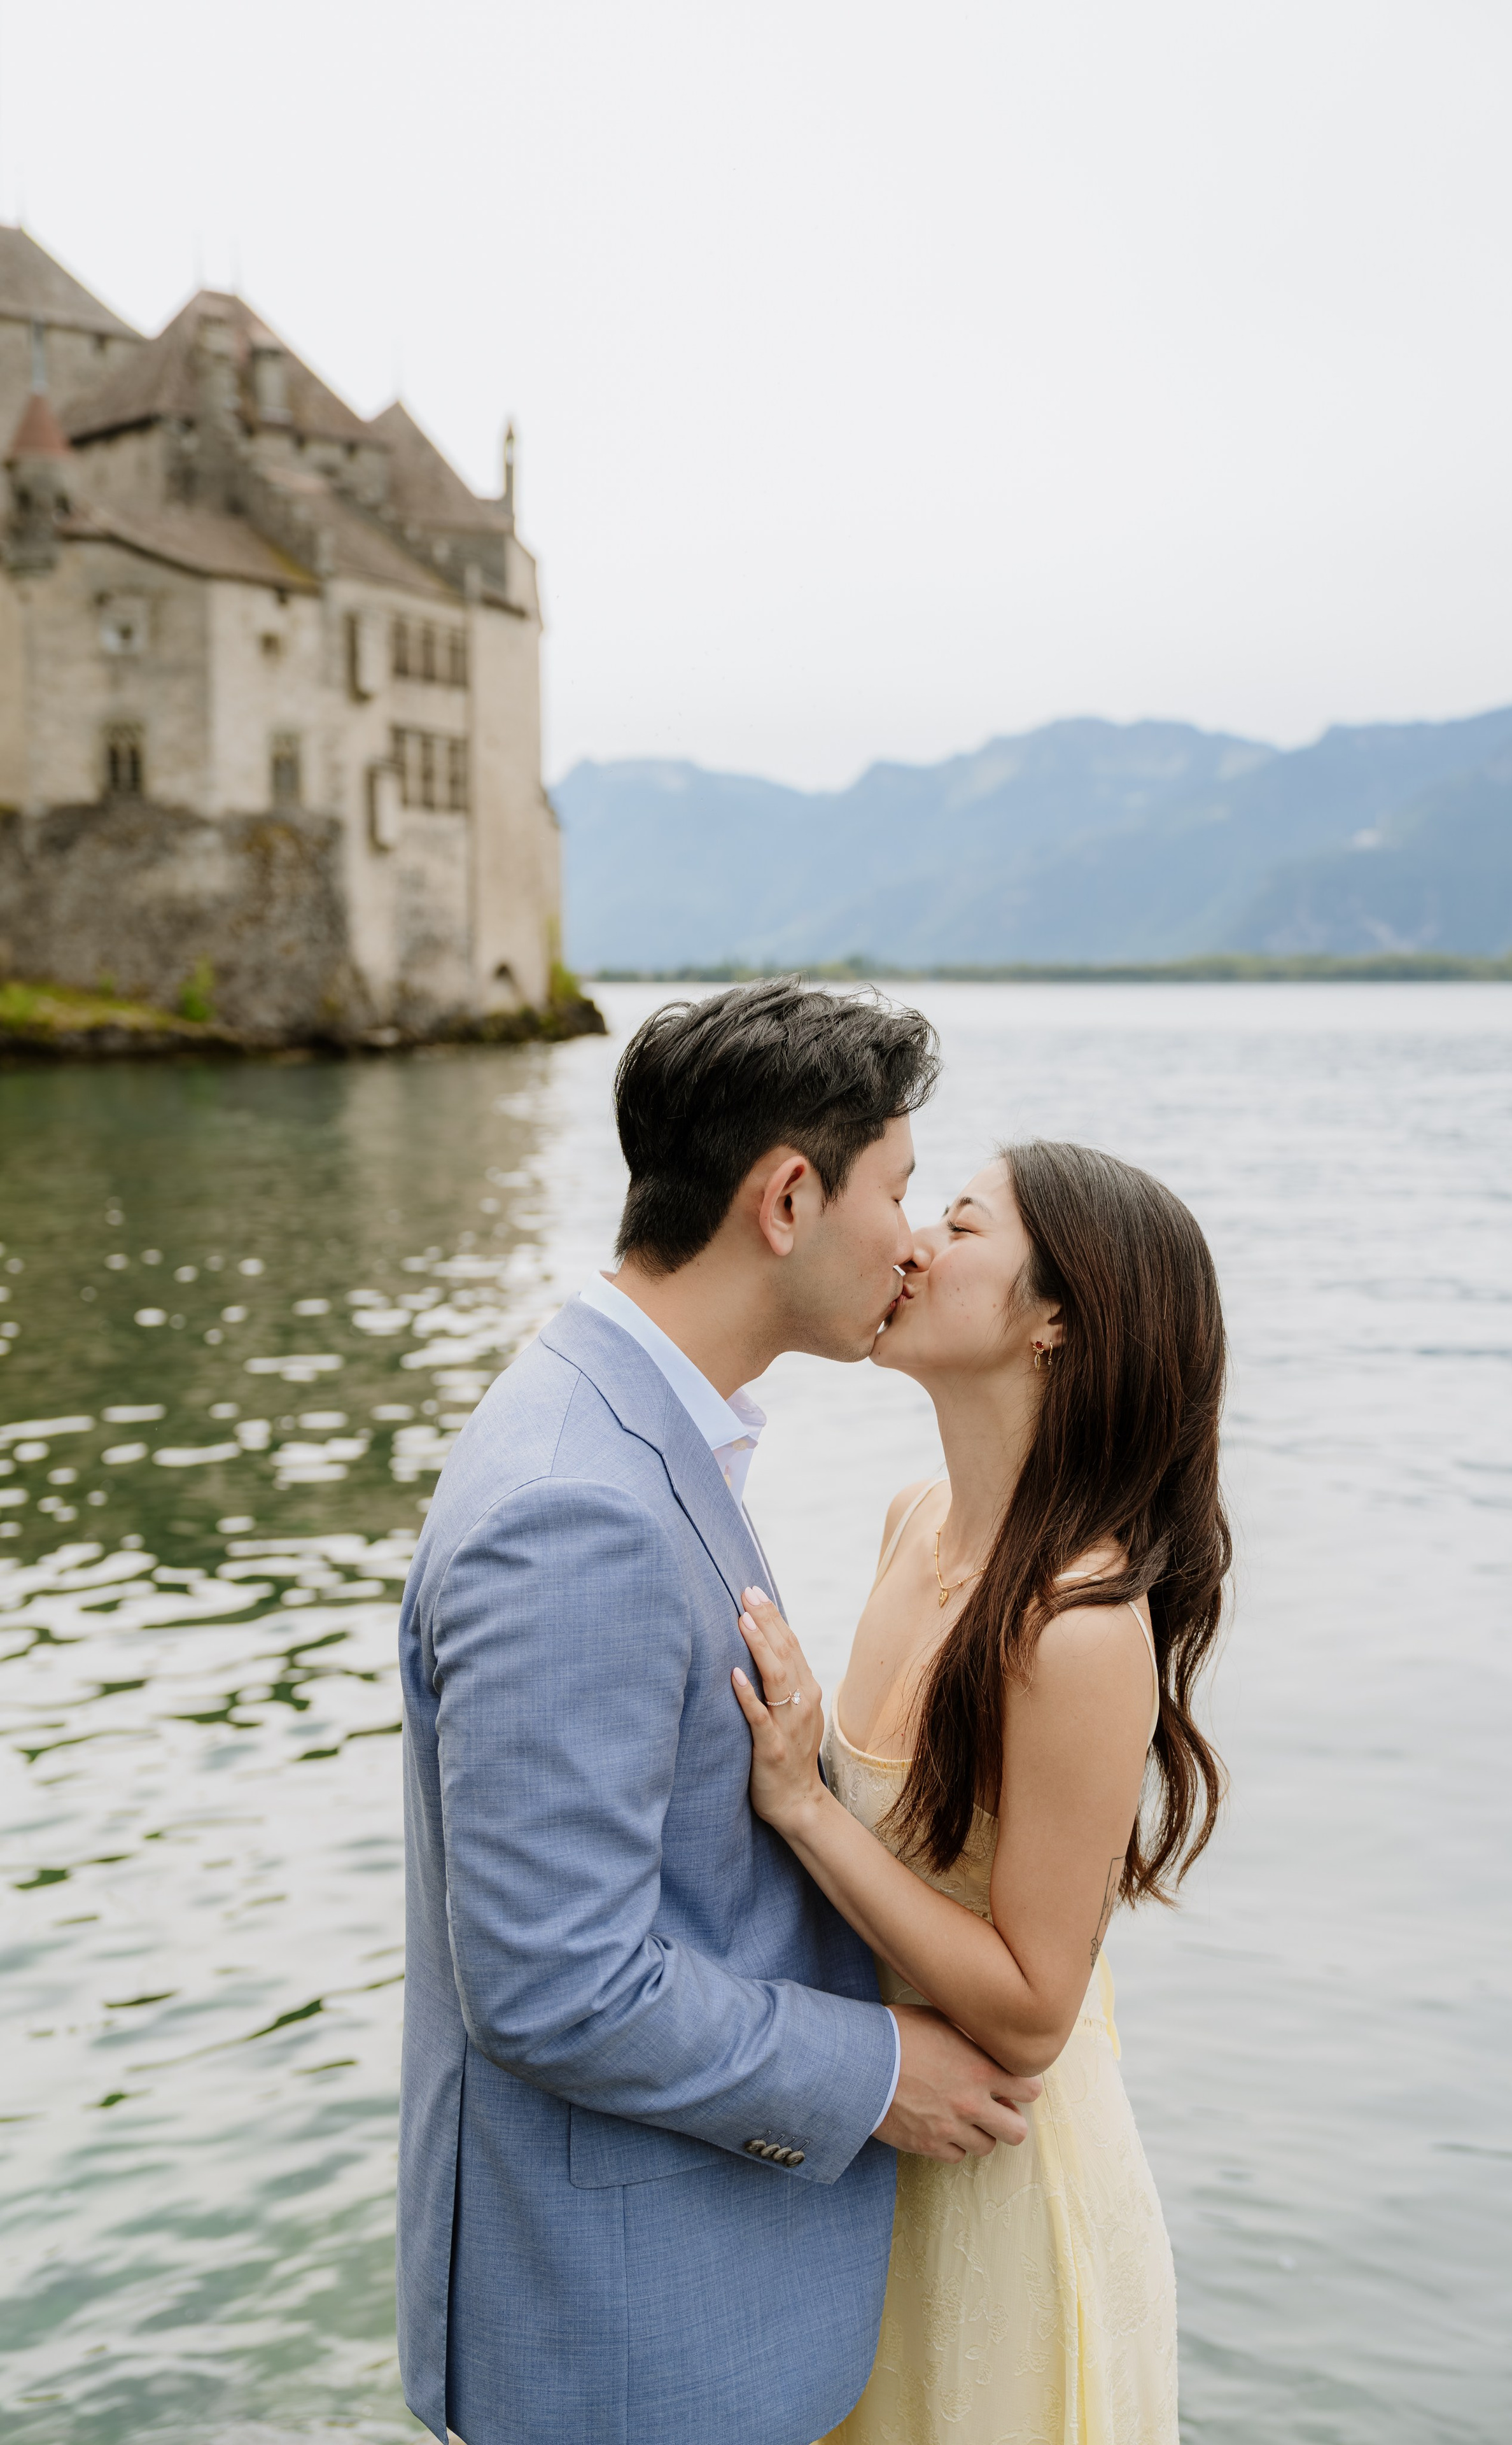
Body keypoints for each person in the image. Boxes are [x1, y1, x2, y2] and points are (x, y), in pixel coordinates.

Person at [396, 980, 1042, 2445]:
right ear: (787, 1197)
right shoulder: (577, 1500)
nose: (912, 1237)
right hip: (630, 2359)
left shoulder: (632, 1426)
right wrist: (873, 2074)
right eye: (895, 1189)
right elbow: (555, 1981)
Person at [732, 1139, 1231, 2445]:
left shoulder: (1074, 1625)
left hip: (1000, 2199)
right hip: (874, 2158)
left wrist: (804, 1807)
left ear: (1057, 1317)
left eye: (955, 1223)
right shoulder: (909, 1520)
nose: (909, 1247)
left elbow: (1029, 2011)